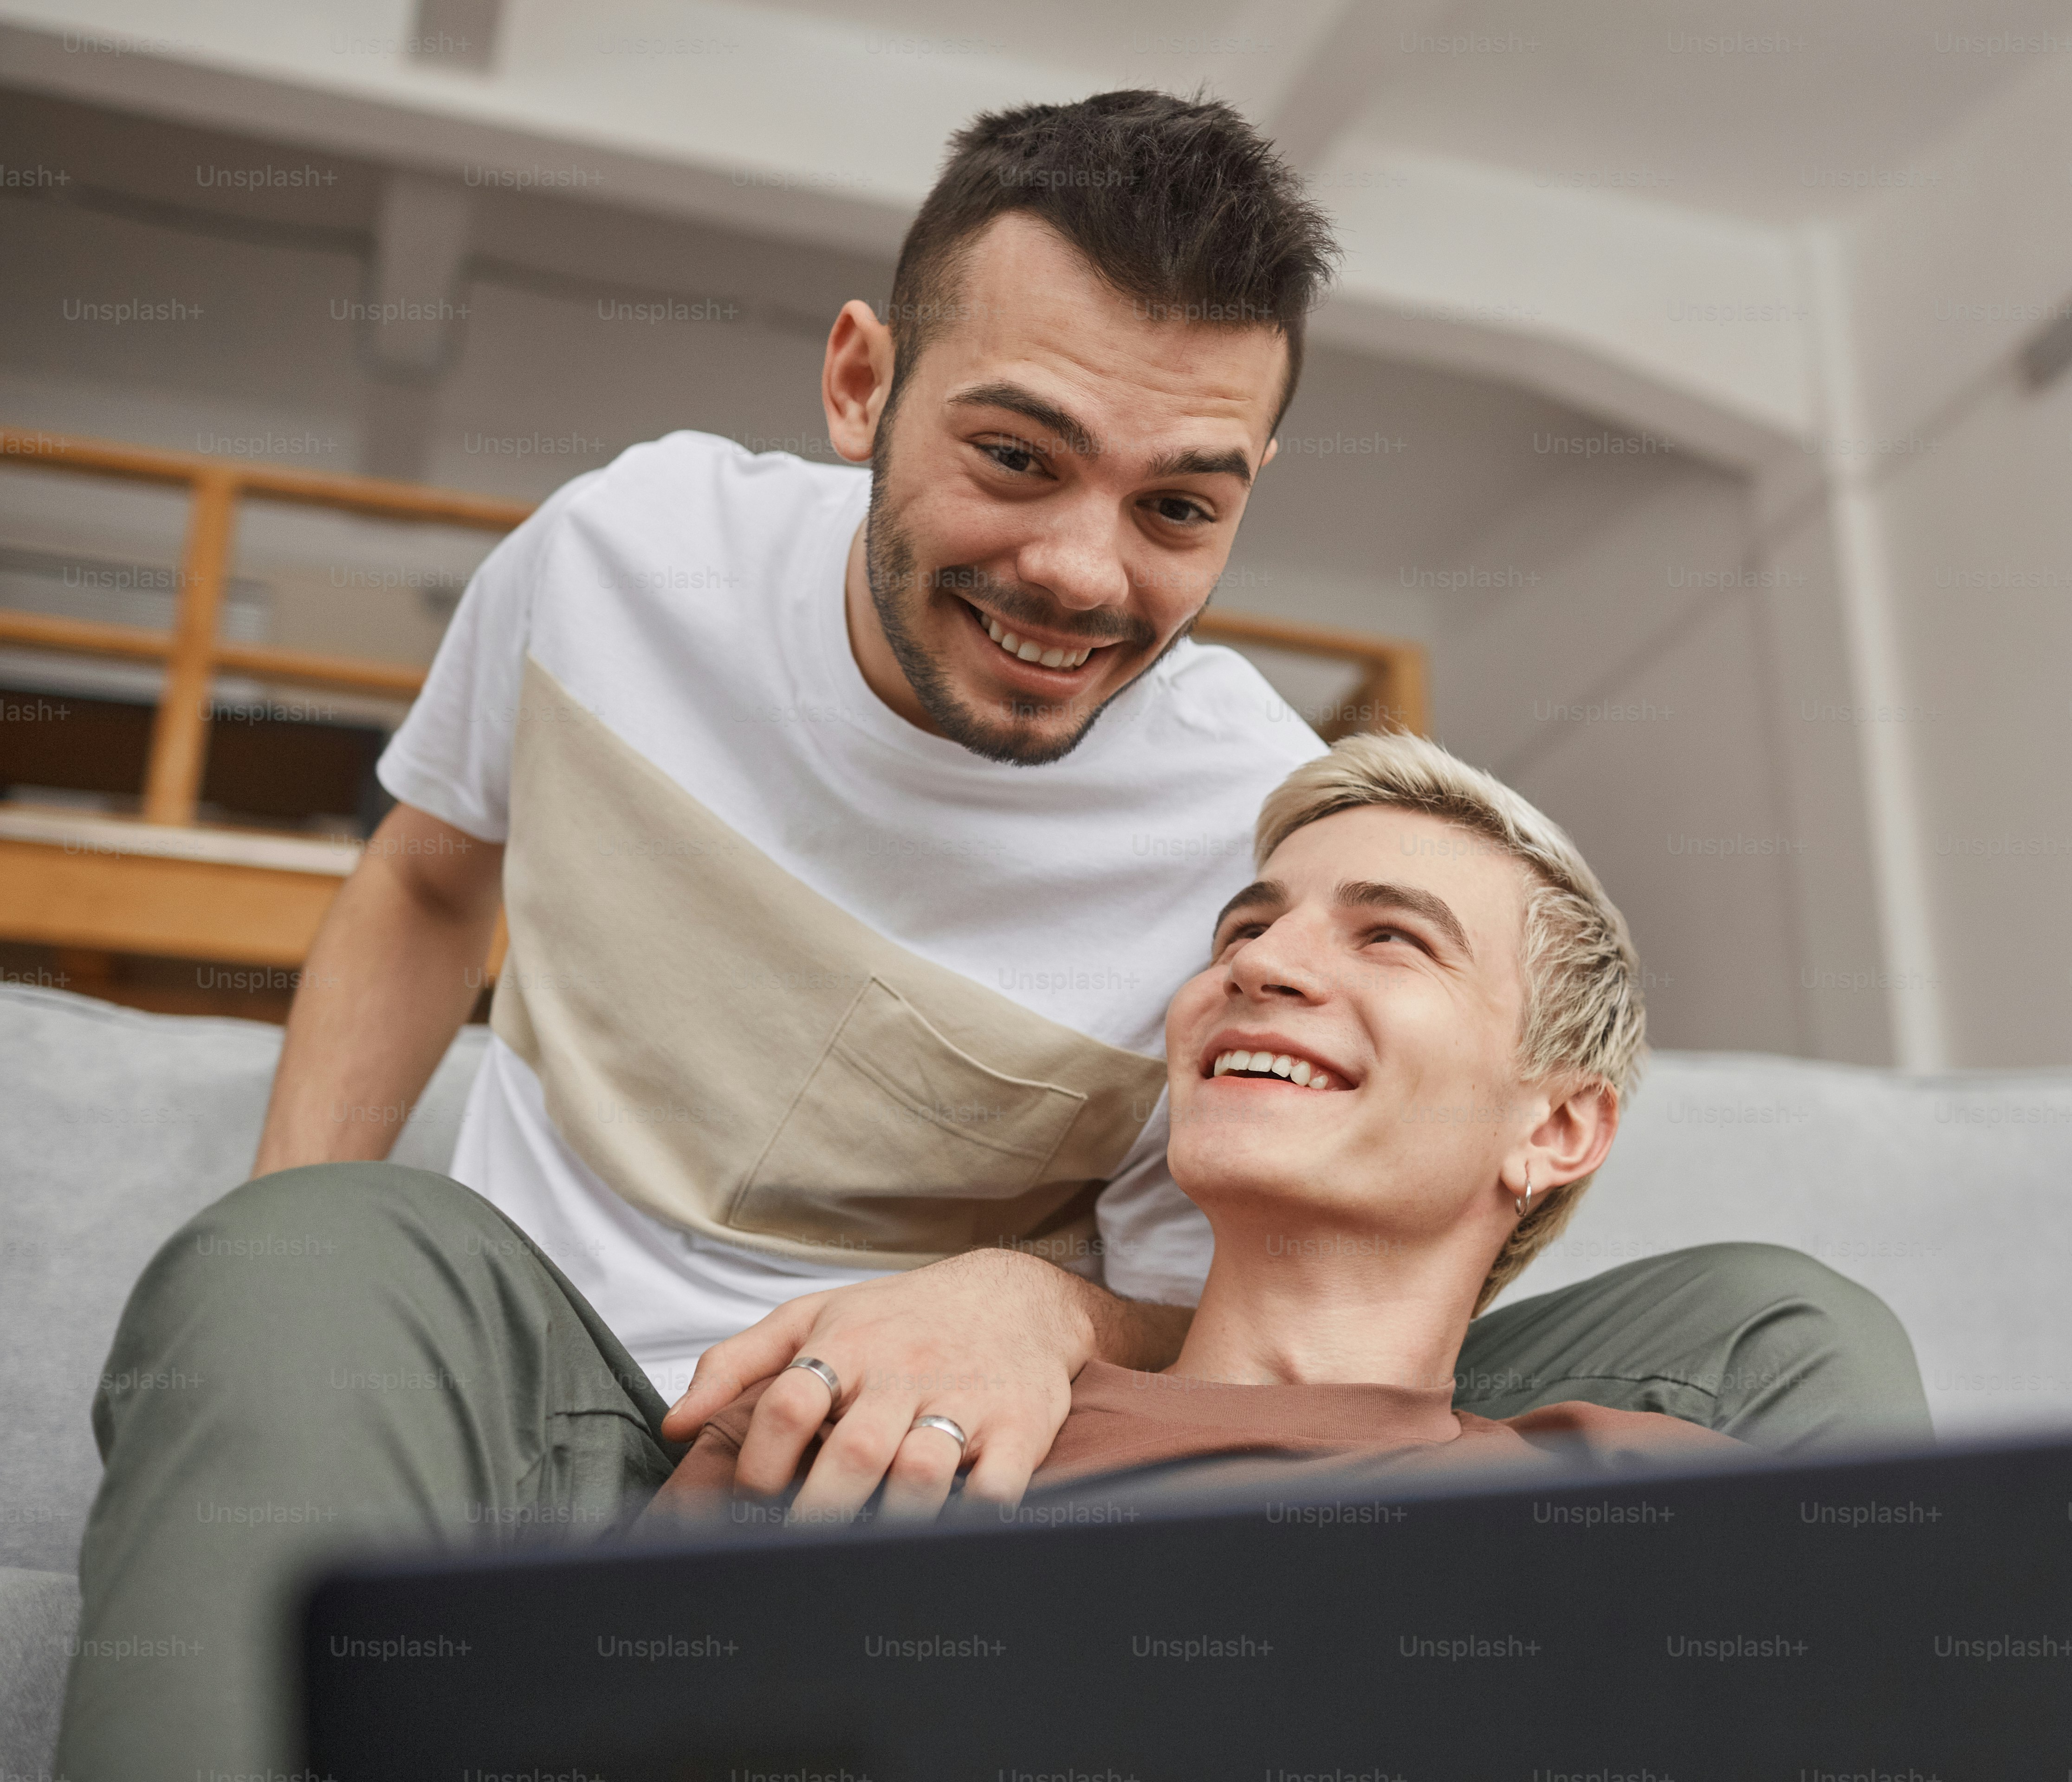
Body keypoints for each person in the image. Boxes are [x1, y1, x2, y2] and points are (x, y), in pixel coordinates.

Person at [58, 92, 1927, 1781]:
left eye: (1178, 506)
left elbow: (1259, 1306)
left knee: (1777, 1332)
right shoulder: (617, 557)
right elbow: (421, 880)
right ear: (862, 383)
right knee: (301, 1250)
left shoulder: (1250, 827)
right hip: (580, 1397)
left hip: (996, 1440)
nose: (1084, 574)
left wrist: (1031, 1309)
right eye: (1020, 459)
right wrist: (261, 1280)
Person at [649, 736, 1920, 1524]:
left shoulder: (1661, 1497)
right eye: (1243, 931)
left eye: (1391, 936)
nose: (1261, 966)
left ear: (1561, 1127)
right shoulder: (883, 1426)